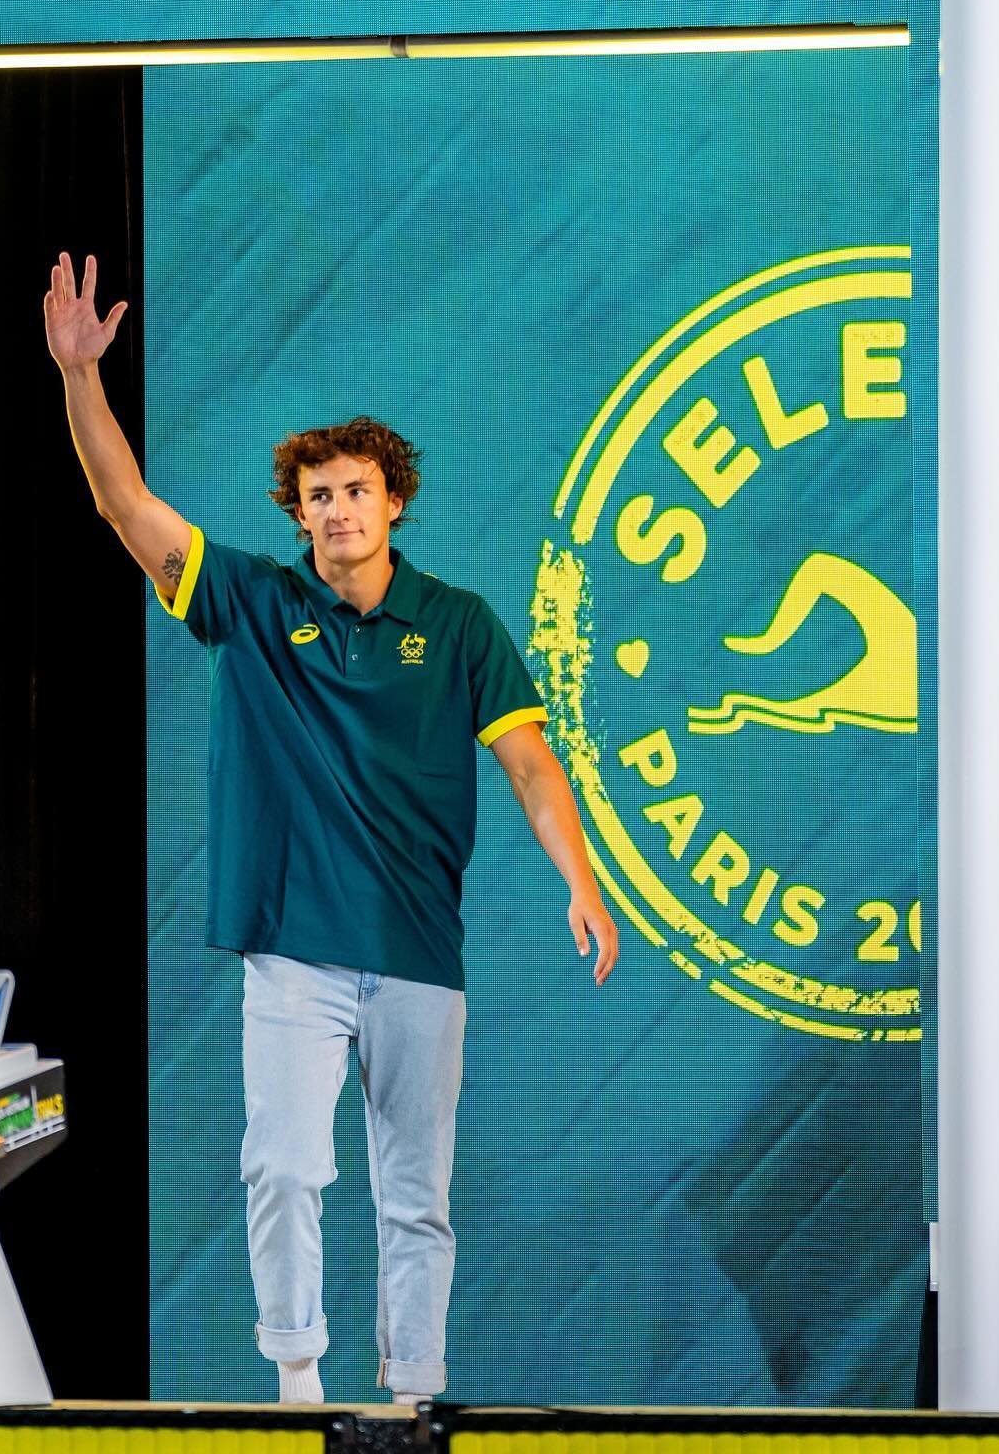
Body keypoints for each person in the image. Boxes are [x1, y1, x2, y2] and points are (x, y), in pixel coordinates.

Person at [44, 250, 619, 1406]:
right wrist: (78, 378)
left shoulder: (457, 624)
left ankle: (413, 1394)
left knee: (415, 1196)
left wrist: (582, 879)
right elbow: (123, 501)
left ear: (392, 501)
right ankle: (298, 1384)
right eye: (318, 495)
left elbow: (529, 762)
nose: (337, 509)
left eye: (356, 489)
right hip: (294, 950)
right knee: (283, 1170)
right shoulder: (251, 603)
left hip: (417, 952)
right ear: (298, 514)